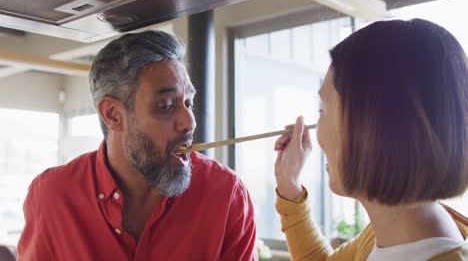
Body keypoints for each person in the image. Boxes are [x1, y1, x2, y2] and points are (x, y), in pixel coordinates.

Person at [17, 30, 257, 260]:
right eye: (166, 105)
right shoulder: (52, 197)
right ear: (113, 114)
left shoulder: (226, 194)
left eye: (188, 102)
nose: (189, 122)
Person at [274, 19, 468, 260]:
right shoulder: (386, 237)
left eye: (322, 111)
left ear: (369, 127)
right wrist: (289, 185)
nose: (317, 130)